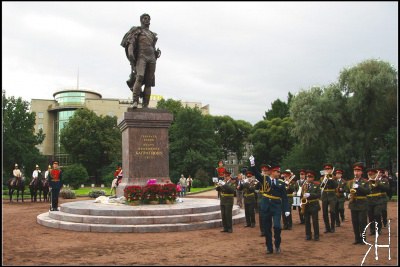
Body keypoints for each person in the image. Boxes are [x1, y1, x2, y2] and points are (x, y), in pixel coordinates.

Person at [249, 156, 290, 254]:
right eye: (277, 172)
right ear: (272, 172)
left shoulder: (281, 183)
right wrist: (253, 164)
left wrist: (286, 209)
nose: (279, 174)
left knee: (277, 227)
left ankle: (277, 245)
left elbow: (284, 197)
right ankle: (269, 247)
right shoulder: (265, 179)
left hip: (276, 206)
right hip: (266, 206)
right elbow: (256, 173)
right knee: (267, 228)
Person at [121, 13, 161, 108]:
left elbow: (152, 47)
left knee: (149, 82)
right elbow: (131, 42)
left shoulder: (152, 34)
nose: (147, 20)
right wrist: (130, 53)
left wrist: (156, 53)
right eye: (145, 18)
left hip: (151, 58)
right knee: (139, 77)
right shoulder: (137, 30)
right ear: (141, 20)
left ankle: (145, 104)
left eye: (148, 19)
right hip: (141, 56)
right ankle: (135, 101)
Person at [347, 162, 370, 245]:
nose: (356, 172)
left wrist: (358, 187)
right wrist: (348, 195)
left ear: (361, 172)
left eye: (358, 171)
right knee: (355, 222)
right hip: (353, 204)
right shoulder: (350, 182)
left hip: (362, 204)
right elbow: (346, 191)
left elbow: (368, 191)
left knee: (362, 222)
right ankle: (357, 238)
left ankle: (363, 239)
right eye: (355, 171)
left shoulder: (365, 182)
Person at [366, 168, 389, 235]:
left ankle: (379, 229)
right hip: (369, 201)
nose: (371, 175)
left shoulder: (379, 181)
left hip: (378, 201)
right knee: (370, 216)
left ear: (375, 174)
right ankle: (372, 230)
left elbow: (386, 188)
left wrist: (377, 182)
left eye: (372, 174)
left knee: (377, 214)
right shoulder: (367, 182)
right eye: (370, 174)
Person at [301, 170, 321, 241]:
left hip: (314, 204)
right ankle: (308, 235)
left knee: (315, 221)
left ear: (313, 178)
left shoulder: (317, 185)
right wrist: (301, 202)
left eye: (310, 177)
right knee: (307, 221)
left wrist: (310, 194)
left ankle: (316, 235)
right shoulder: (304, 185)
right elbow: (301, 195)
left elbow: (319, 195)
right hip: (306, 205)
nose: (308, 178)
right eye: (307, 177)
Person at [320, 163, 338, 233]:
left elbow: (336, 186)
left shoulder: (334, 177)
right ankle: (327, 227)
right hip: (324, 195)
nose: (327, 170)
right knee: (324, 212)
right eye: (326, 169)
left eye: (328, 169)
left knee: (332, 211)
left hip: (332, 195)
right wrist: (326, 178)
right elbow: (321, 187)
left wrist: (331, 179)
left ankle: (333, 227)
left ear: (331, 170)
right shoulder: (322, 178)